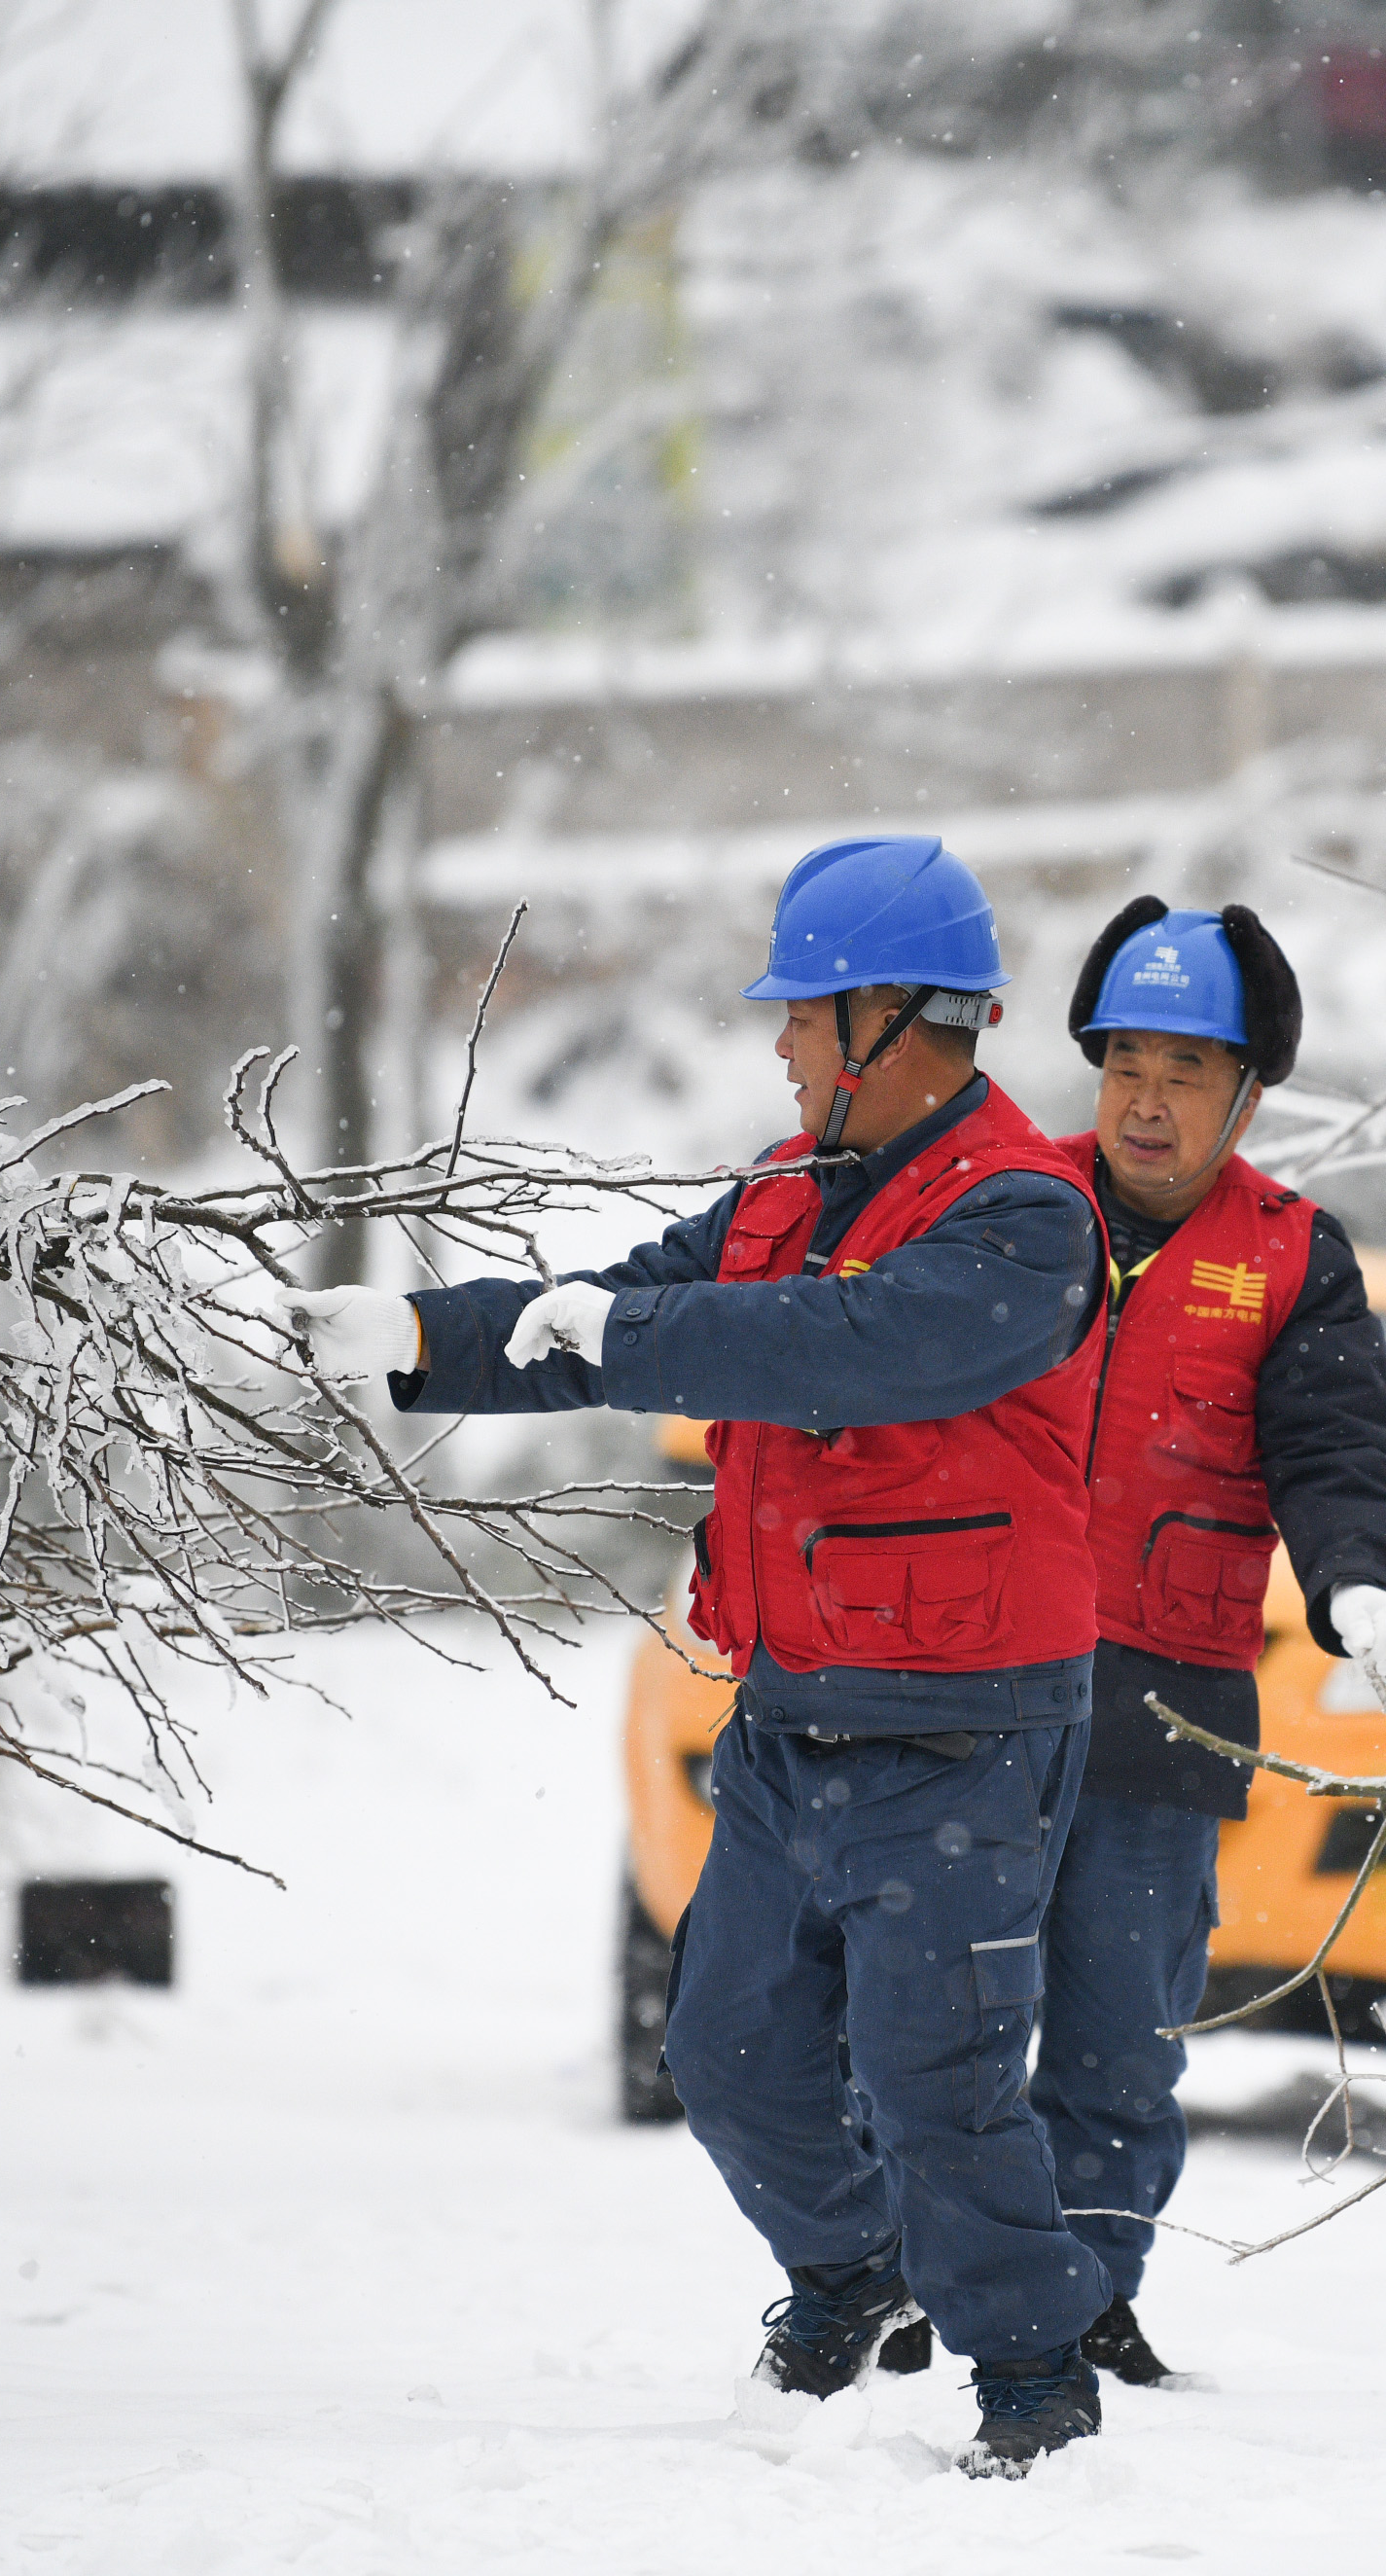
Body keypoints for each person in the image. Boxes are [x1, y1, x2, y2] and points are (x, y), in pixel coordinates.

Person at [283, 836, 1116, 2478]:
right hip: (793, 1709)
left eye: (805, 1013)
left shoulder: (1029, 1220)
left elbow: (854, 1349)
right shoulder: (779, 1195)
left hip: (963, 1725)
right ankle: (853, 2269)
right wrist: (427, 1343)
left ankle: (1034, 2379)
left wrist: (627, 1335)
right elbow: (615, 1303)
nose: (784, 1044)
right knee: (726, 2048)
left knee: (932, 2073)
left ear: (890, 1016)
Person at [992, 897, 1386, 2384]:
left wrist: (1361, 1583)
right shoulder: (998, 1205)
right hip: (980, 1682)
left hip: (1162, 1704)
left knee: (1119, 2032)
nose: (1148, 1102)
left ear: (1247, 1094)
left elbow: (1339, 1453)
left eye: (1186, 1071)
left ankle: (1087, 2293)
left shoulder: (1295, 1258)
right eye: (1125, 1066)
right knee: (939, 2014)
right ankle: (942, 2290)